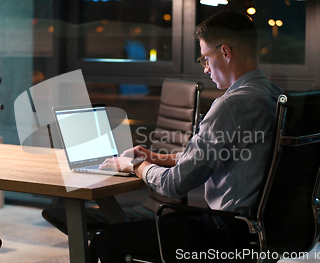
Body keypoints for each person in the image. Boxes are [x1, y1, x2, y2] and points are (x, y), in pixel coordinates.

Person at [97, 10, 284, 262]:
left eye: (205, 58)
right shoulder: (275, 96)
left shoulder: (230, 105)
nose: (205, 69)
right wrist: (158, 158)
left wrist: (135, 165)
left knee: (108, 240)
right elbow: (224, 155)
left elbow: (175, 185)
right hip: (263, 230)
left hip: (225, 234)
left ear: (225, 52)